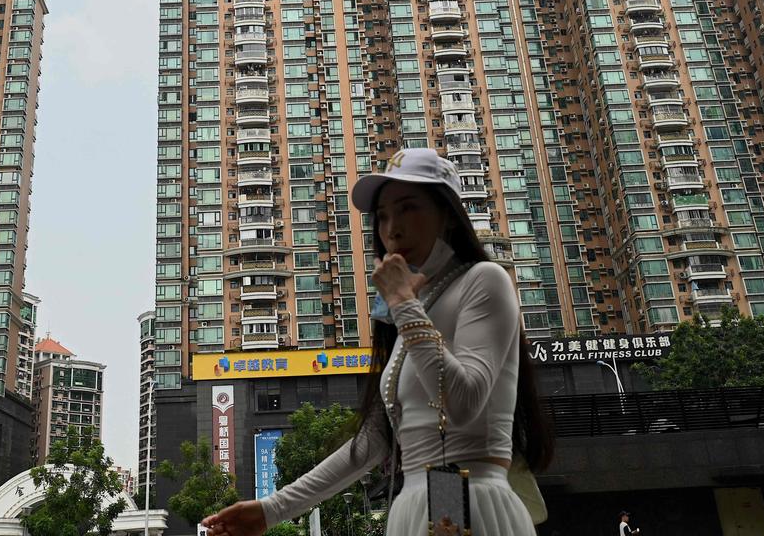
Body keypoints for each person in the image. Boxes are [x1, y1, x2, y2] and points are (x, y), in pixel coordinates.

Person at [201, 148, 554, 536]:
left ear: (449, 214)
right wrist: (271, 509)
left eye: (408, 209)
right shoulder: (415, 311)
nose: (392, 229)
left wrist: (403, 304)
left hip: (475, 501)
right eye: (383, 216)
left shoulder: (484, 280)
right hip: (417, 507)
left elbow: (464, 402)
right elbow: (373, 441)